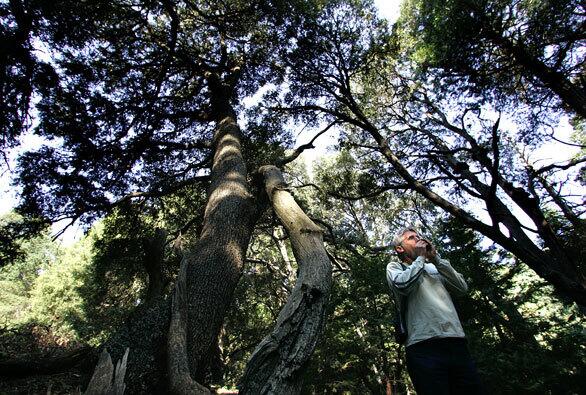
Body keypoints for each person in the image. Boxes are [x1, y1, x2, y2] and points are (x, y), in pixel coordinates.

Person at [386, 227, 483, 395]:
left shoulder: (434, 267)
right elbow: (402, 285)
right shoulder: (395, 267)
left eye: (418, 236)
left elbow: (461, 287)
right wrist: (421, 258)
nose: (418, 239)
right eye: (411, 238)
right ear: (400, 248)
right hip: (423, 347)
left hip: (456, 342)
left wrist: (436, 259)